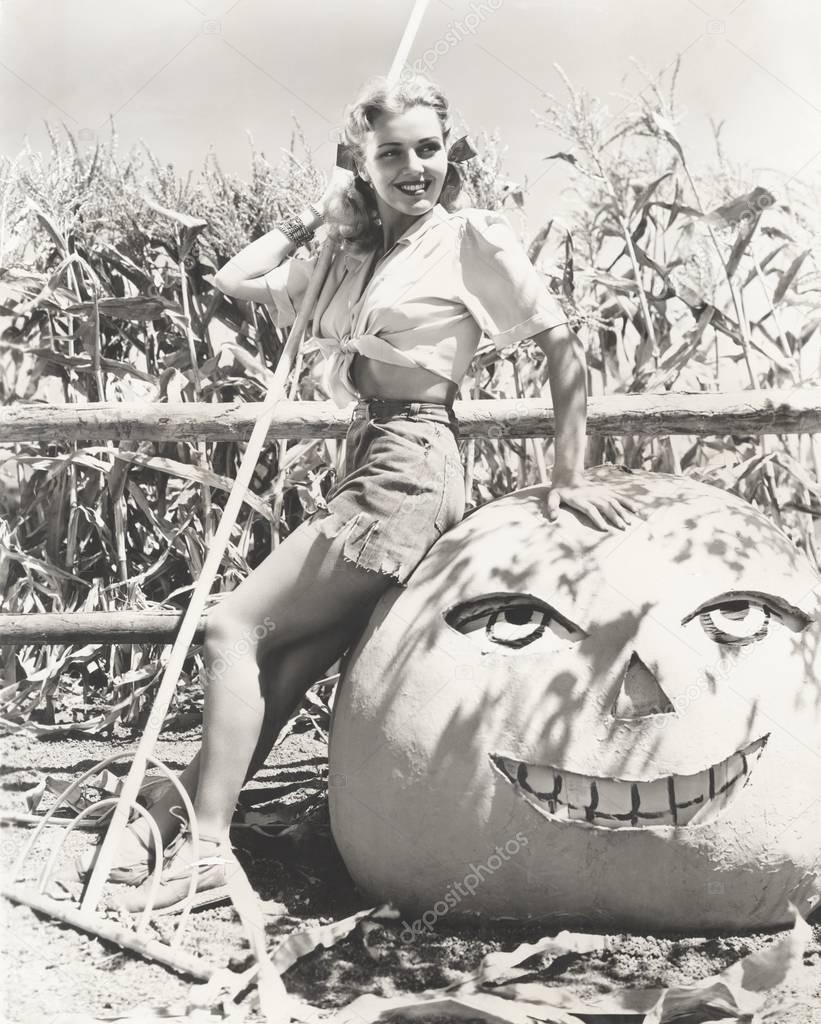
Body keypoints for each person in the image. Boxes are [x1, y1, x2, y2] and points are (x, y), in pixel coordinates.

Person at [75, 72, 640, 913]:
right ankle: (168, 823)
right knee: (289, 662)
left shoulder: (465, 239)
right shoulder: (355, 256)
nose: (415, 167)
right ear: (362, 163)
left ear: (449, 154)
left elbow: (563, 350)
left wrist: (566, 475)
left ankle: (203, 849)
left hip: (410, 463)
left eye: (428, 149)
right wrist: (321, 212)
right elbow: (237, 277)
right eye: (390, 154)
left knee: (232, 625)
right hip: (372, 457)